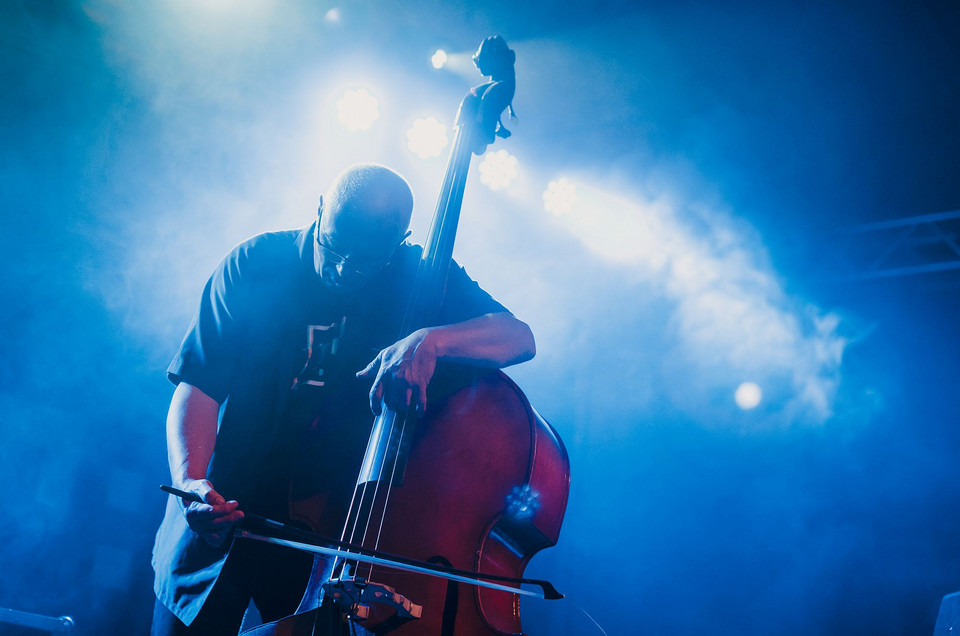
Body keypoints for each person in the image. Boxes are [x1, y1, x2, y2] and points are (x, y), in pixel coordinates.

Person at [150, 163, 536, 635]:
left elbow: (518, 337)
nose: (341, 269)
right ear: (319, 209)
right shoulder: (255, 264)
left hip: (324, 539)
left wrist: (431, 340)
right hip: (218, 511)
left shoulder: (418, 277)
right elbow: (199, 384)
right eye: (333, 247)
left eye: (364, 262)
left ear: (399, 242)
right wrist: (190, 480)